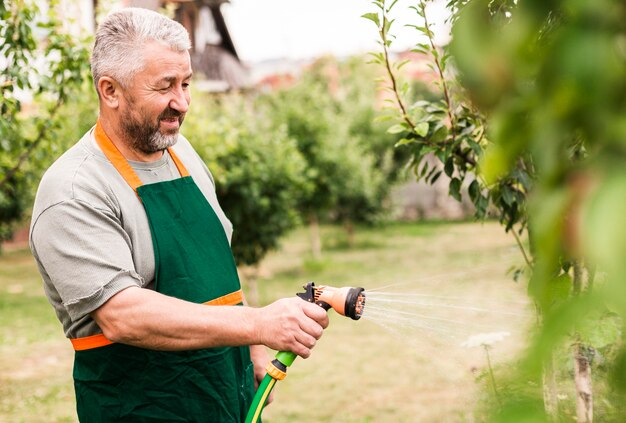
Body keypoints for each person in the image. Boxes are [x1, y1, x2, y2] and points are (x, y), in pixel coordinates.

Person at [29, 7, 328, 422]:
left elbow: (215, 266)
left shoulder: (181, 153)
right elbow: (122, 315)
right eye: (165, 86)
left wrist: (253, 347)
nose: (182, 103)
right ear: (110, 90)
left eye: (186, 83)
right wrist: (257, 324)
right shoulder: (75, 190)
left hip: (225, 398)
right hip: (144, 408)